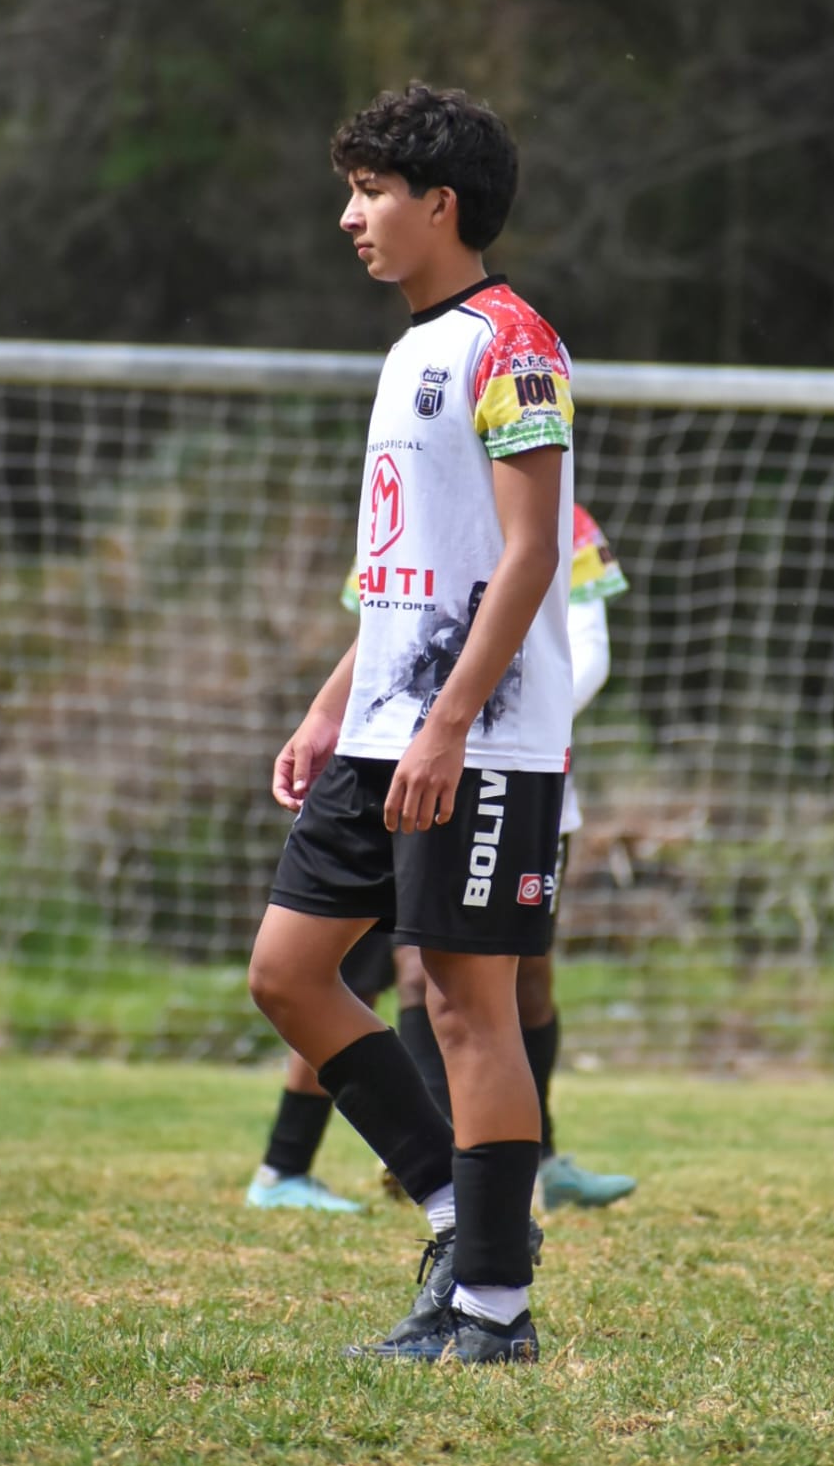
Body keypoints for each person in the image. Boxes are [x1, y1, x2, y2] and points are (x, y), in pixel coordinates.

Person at [247, 80, 574, 1364]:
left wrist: (444, 727)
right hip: (383, 730)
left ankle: (493, 1308)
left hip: (475, 740)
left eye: (371, 191)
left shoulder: (514, 343)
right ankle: (460, 1215)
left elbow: (528, 556)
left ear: (440, 205)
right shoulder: (405, 352)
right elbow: (406, 576)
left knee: (463, 1006)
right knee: (287, 972)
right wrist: (332, 708)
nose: (350, 216)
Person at [247, 505, 637, 1214]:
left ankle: (528, 1162)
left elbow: (585, 653)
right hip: (390, 767)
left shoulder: (559, 519)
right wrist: (345, 717)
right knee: (344, 972)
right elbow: (383, 630)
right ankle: (352, 1162)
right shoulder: (405, 501)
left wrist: (486, 722)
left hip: (505, 769)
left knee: (516, 982)